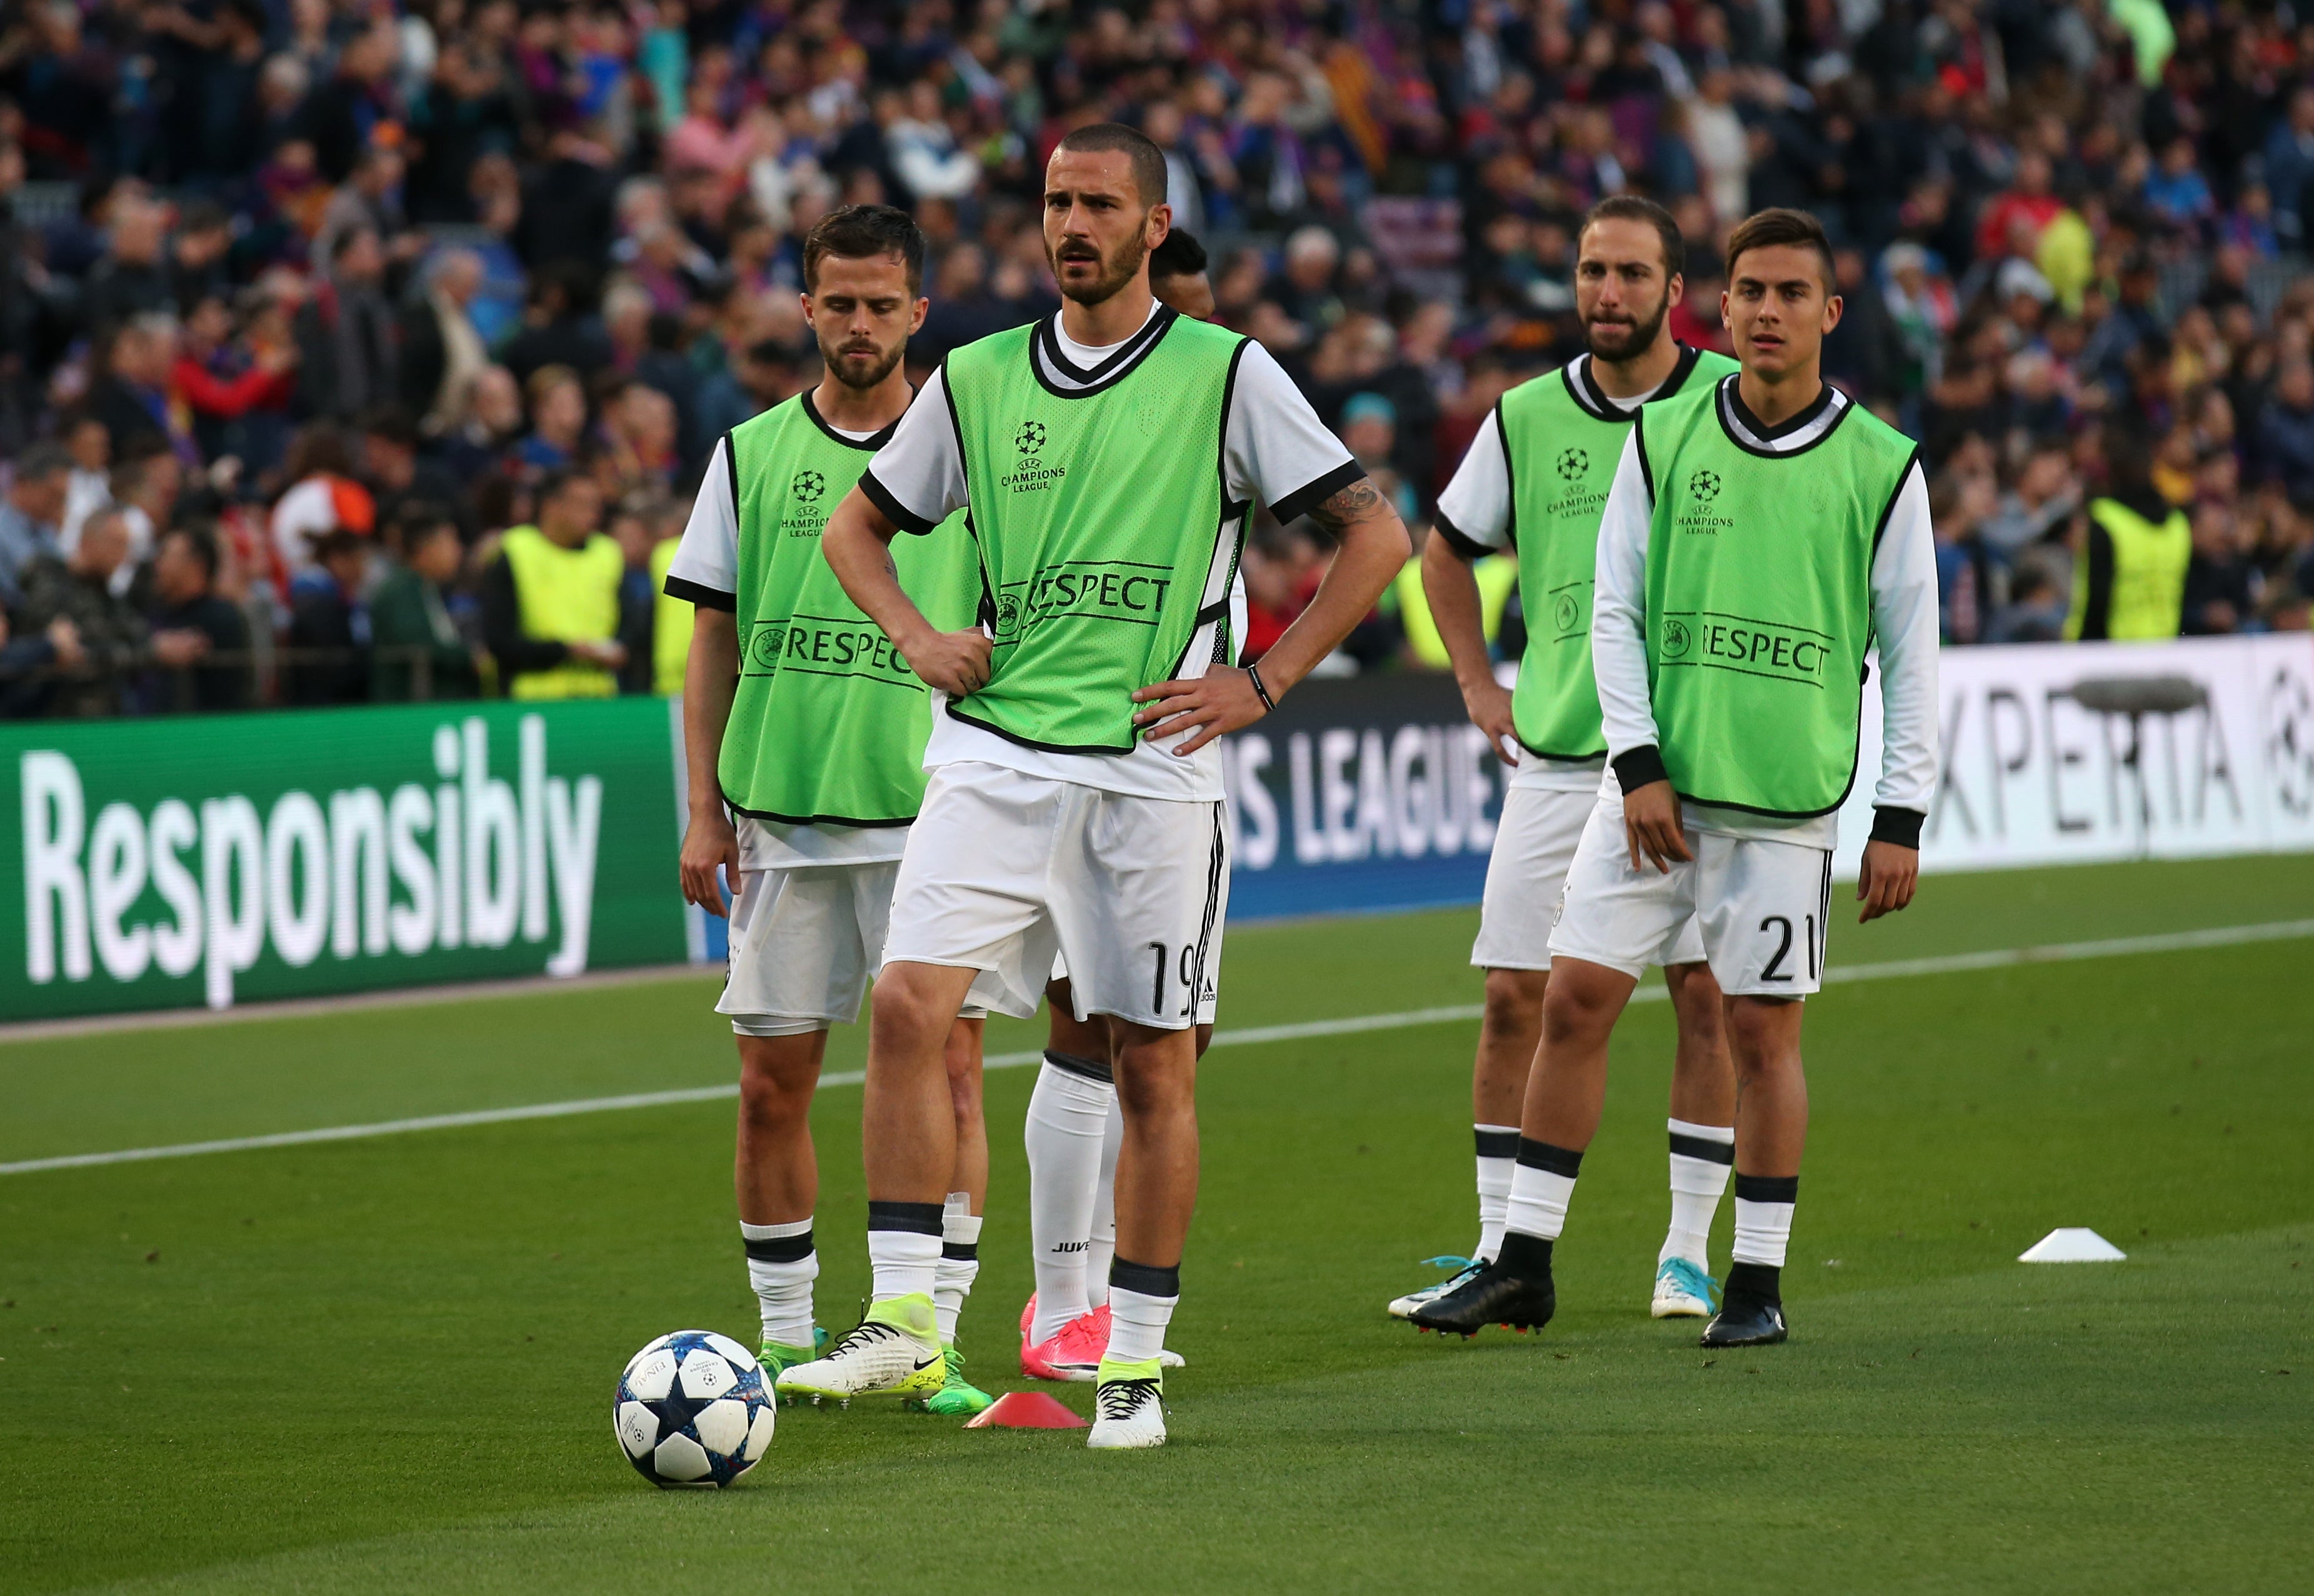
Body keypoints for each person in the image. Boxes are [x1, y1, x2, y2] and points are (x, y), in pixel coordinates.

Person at [802, 124, 1408, 1447]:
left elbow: (1377, 532)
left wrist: (1265, 676)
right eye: (1056, 202)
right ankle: (904, 1321)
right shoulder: (972, 378)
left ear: (1153, 222)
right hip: (997, 746)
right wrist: (916, 635)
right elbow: (859, 528)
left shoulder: (1226, 373)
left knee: (1152, 1065)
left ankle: (1128, 1363)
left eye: (1099, 205)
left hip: (1152, 763)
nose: (1071, 224)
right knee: (909, 1004)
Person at [1410, 208, 1937, 1350]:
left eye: (1791, 293)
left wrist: (1898, 814)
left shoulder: (1881, 465)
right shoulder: (1666, 438)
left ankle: (1751, 1278)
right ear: (1724, 303)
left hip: (1784, 808)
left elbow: (1912, 650)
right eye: (1750, 292)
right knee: (1572, 997)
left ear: (1828, 314)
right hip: (1648, 794)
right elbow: (1613, 606)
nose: (1766, 312)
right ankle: (1526, 1263)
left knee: (1759, 1033)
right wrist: (1637, 763)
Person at [664, 206, 998, 1415]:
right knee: (771, 1085)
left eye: (880, 303)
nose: (857, 324)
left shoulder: (972, 451)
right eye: (836, 302)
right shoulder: (750, 453)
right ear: (805, 310)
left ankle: (932, 1338)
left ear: (918, 313)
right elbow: (712, 633)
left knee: (953, 1068)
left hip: (934, 814)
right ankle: (779, 1338)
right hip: (785, 820)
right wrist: (703, 809)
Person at [1403, 196, 1741, 1330]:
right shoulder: (1526, 415)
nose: (1606, 291)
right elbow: (1441, 552)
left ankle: (1686, 1250)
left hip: (1693, 763)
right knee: (1513, 996)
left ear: (1673, 289)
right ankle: (1502, 1247)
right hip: (1557, 756)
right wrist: (1474, 681)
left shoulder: (1729, 405)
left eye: (1630, 273)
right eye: (1592, 270)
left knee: (1706, 999)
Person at [1014, 236, 1227, 1385]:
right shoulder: (1053, 410)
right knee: (1081, 1020)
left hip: (1174, 754)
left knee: (1171, 1039)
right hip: (1058, 752)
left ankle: (1091, 1290)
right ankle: (1064, 1302)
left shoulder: (1224, 394)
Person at [480, 468, 627, 697]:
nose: (593, 515)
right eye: (583, 505)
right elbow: (499, 640)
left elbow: (627, 627)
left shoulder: (608, 554)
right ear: (551, 506)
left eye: (596, 506)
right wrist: (566, 651)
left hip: (600, 699)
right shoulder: (514, 551)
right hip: (532, 701)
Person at [2066, 434, 2189, 641]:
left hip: (2114, 652)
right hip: (2165, 646)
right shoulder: (2178, 524)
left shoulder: (2107, 520)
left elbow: (2098, 599)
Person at [370, 505, 480, 701]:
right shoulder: (401, 592)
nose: (459, 551)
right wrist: (470, 658)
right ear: (426, 548)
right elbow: (419, 645)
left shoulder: (426, 588)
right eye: (451, 542)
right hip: (409, 714)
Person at [145, 522, 251, 712]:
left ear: (197, 564)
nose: (158, 566)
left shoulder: (221, 619)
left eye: (166, 556)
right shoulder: (152, 612)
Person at [285, 526, 374, 706]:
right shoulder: (313, 596)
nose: (363, 569)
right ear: (338, 560)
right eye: (358, 560)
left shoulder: (347, 598)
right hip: (321, 701)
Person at [0, 442, 72, 607]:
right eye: (53, 495)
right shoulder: (2, 529)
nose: (59, 505)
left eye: (63, 498)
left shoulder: (47, 530)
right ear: (23, 484)